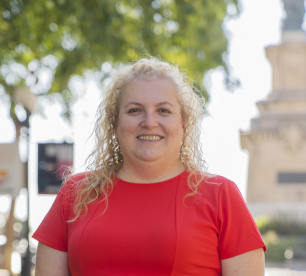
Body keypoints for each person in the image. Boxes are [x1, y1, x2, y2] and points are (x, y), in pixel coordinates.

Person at [33, 57, 266, 276]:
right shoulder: (76, 193)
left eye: (164, 111)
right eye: (134, 110)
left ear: (184, 124)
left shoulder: (220, 195)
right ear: (114, 123)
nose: (149, 122)